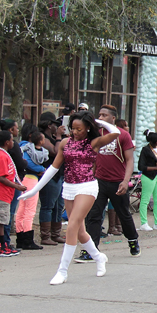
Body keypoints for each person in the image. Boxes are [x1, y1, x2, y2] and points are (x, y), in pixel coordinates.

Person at [18, 111, 121, 284]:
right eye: (73, 128)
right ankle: (98, 257)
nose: (75, 132)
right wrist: (35, 189)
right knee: (80, 232)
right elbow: (53, 168)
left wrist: (96, 121)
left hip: (87, 186)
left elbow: (115, 133)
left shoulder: (94, 142)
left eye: (79, 129)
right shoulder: (65, 143)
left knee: (72, 225)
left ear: (88, 128)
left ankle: (62, 270)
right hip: (69, 187)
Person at [76, 105, 141, 260]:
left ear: (113, 118)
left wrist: (126, 181)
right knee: (94, 215)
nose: (101, 117)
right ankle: (91, 250)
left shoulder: (123, 135)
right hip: (98, 181)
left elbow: (130, 160)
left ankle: (133, 240)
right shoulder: (97, 135)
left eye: (104, 115)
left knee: (123, 214)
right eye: (99, 114)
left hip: (118, 181)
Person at [0, 131, 28, 256]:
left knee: (3, 220)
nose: (13, 142)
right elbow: (1, 177)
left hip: (6, 194)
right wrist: (17, 186)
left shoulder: (5, 155)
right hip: (0, 192)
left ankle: (3, 244)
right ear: (6, 142)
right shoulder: (1, 156)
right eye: (11, 140)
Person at [15, 128, 48, 250]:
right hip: (32, 180)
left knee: (21, 209)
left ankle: (20, 237)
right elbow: (30, 163)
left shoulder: (22, 149)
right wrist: (41, 170)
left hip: (23, 179)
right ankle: (28, 238)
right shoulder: (35, 151)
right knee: (30, 210)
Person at [37, 113, 66, 246]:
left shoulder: (54, 138)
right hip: (49, 175)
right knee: (48, 205)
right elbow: (55, 151)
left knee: (58, 205)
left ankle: (56, 233)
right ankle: (45, 235)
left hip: (59, 174)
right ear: (49, 125)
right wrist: (59, 137)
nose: (57, 127)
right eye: (55, 125)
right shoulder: (43, 137)